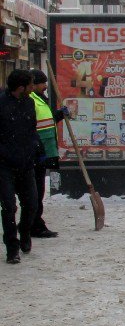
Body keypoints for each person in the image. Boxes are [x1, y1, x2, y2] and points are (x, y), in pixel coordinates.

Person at [0, 70, 41, 264]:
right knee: (9, 207)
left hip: (26, 164)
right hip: (4, 165)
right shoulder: (1, 104)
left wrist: (35, 147)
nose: (33, 89)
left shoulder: (29, 103)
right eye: (31, 86)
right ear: (21, 87)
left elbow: (32, 129)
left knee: (32, 204)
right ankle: (12, 248)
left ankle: (24, 231)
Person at [29, 70, 68, 239]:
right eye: (42, 83)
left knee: (37, 190)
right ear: (34, 85)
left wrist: (59, 114)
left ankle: (32, 222)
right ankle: (34, 224)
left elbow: (47, 121)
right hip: (36, 153)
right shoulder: (32, 101)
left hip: (43, 151)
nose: (45, 86)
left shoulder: (40, 100)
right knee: (34, 191)